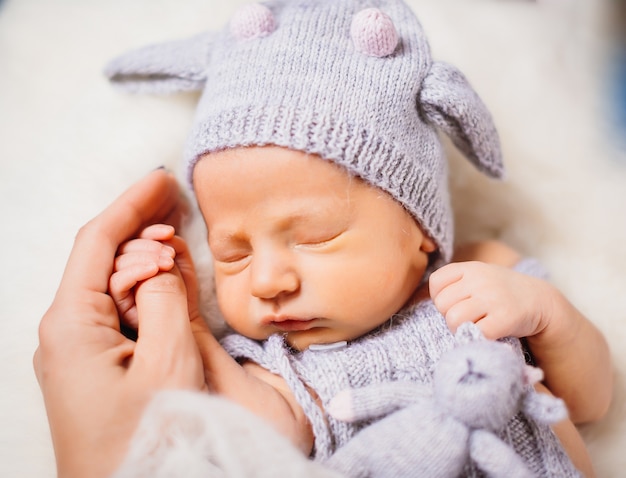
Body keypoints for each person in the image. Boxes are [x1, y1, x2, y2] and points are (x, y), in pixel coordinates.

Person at [103, 0, 612, 476]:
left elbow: (592, 401)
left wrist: (547, 315)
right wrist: (185, 324)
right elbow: (264, 430)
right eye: (232, 253)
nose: (267, 280)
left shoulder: (486, 278)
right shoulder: (278, 363)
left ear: (419, 229)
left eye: (315, 237)